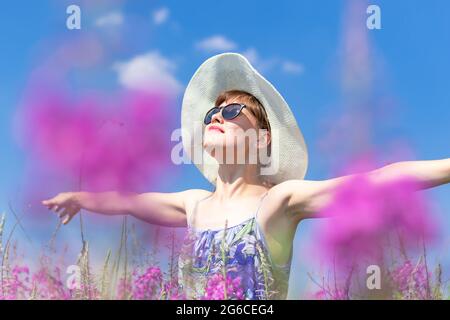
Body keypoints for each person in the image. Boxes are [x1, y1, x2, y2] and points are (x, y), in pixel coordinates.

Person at [42, 53, 450, 299]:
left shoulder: (278, 203)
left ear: (262, 138)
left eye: (234, 112)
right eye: (212, 114)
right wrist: (80, 197)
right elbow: (129, 201)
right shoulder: (192, 204)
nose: (218, 116)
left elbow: (378, 181)